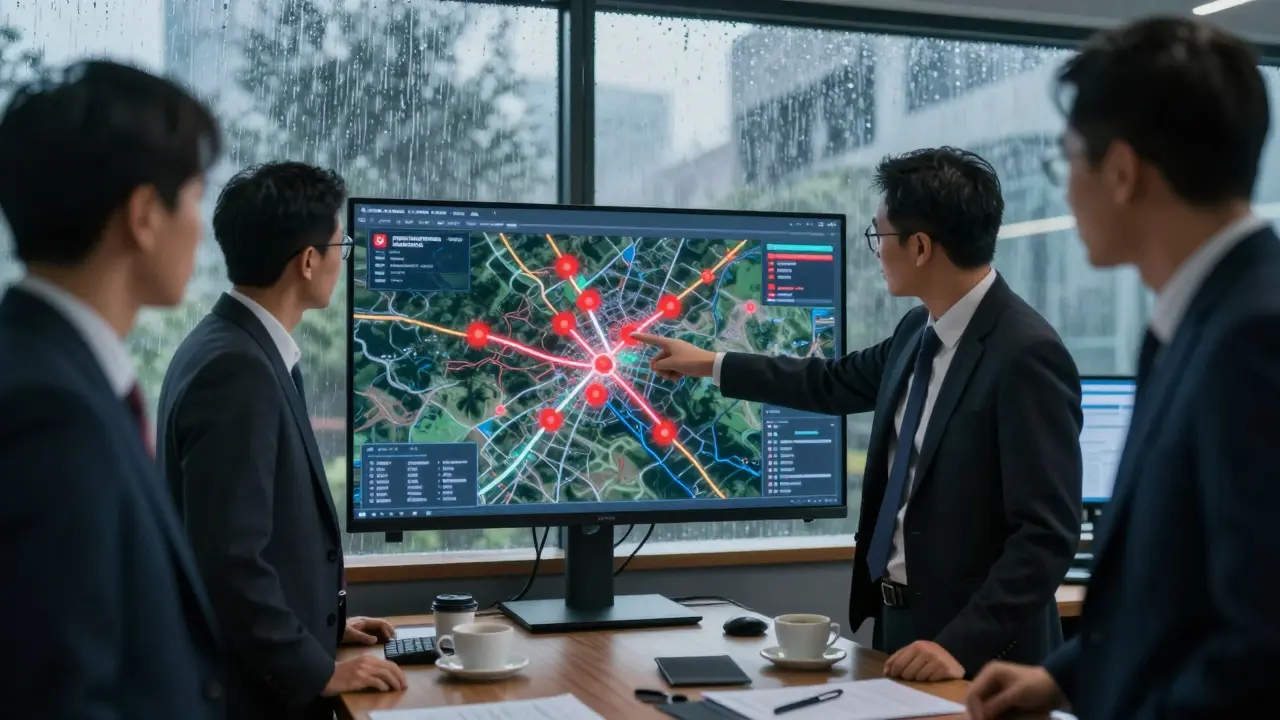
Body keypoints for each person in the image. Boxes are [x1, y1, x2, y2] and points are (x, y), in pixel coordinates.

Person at [635, 147, 1082, 682]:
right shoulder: (919, 331)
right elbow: (831, 381)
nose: (875, 251)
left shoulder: (1026, 354)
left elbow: (1047, 534)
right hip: (898, 622)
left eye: (880, 236)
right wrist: (710, 364)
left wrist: (959, 645)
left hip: (982, 652)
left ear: (919, 247)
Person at [966, 17, 1280, 720]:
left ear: (1122, 172)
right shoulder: (1199, 319)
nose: (1065, 188)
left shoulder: (1254, 339)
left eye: (1067, 160)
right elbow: (1175, 588)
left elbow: (1263, 647)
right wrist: (1066, 678)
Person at [0, 61, 225, 716]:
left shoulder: (47, 369)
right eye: (193, 198)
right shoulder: (51, 414)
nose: (201, 228)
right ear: (143, 216)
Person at [156, 161, 407, 719]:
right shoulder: (237, 369)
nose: (343, 262)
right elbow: (227, 559)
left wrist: (325, 629)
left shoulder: (234, 346)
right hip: (253, 700)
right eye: (340, 246)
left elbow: (265, 534)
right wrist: (316, 670)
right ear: (309, 260)